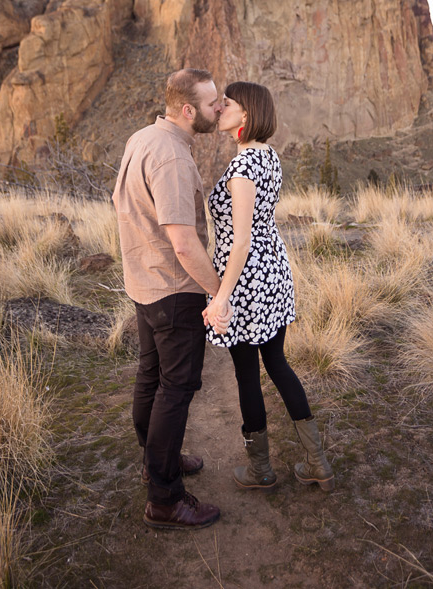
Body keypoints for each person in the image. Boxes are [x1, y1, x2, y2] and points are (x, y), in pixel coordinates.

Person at [201, 81, 334, 492]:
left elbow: (240, 239)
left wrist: (221, 296)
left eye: (229, 103)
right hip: (273, 270)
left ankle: (261, 470)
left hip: (246, 280)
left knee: (247, 374)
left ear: (247, 114)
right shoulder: (268, 156)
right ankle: (318, 462)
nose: (220, 108)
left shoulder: (242, 169)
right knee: (277, 363)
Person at [112, 68, 230, 530]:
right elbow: (183, 242)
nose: (218, 109)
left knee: (151, 377)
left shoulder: (142, 138)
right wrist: (217, 292)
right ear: (188, 110)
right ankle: (164, 498)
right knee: (175, 390)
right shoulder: (174, 159)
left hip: (142, 282)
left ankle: (155, 460)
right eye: (211, 103)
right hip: (173, 289)